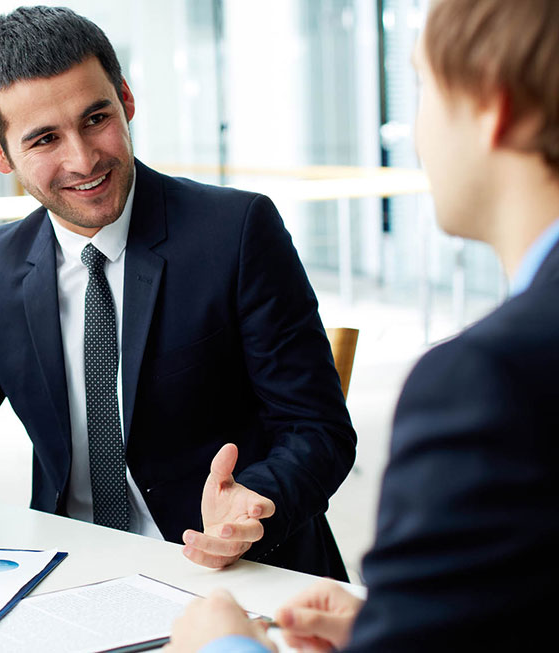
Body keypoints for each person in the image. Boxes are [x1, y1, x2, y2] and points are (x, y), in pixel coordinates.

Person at [0, 5, 356, 579]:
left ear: (126, 100)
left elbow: (317, 430)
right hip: (72, 570)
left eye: (96, 119)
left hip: (237, 568)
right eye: (44, 139)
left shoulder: (237, 232)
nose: (84, 159)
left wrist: (255, 503)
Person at [169, 0, 559, 650]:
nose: (412, 130)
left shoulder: (487, 381)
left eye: (422, 86)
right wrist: (408, 622)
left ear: (496, 105)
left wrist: (222, 644)